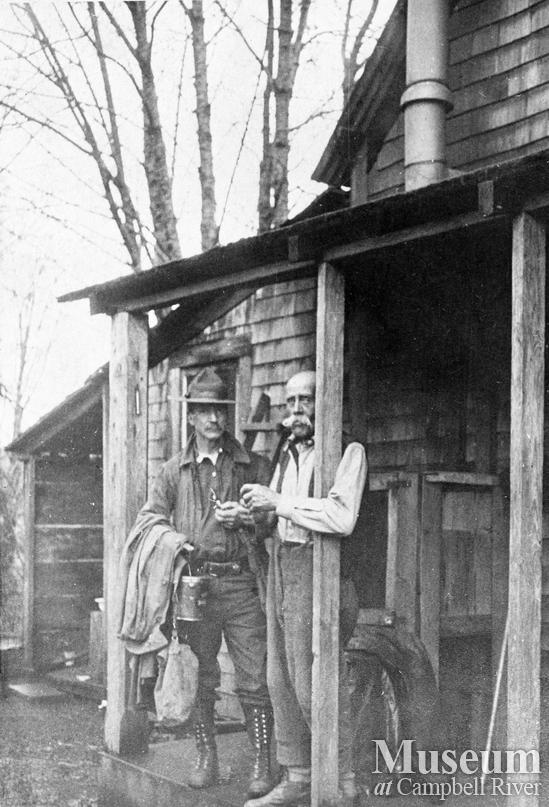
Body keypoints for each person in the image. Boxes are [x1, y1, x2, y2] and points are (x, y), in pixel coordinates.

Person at [120, 367, 275, 799]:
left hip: (242, 585)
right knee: (201, 675)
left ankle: (264, 759)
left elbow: (275, 523)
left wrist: (248, 520)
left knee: (254, 676)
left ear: (227, 417)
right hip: (196, 588)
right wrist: (179, 542)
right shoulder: (173, 472)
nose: (213, 419)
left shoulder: (252, 465)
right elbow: (148, 521)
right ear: (191, 417)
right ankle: (206, 756)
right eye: (204, 411)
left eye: (220, 411)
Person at [240, 370, 367, 807]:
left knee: (315, 683)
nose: (296, 412)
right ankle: (298, 775)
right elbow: (279, 515)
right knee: (280, 679)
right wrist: (253, 515)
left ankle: (342, 780)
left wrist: (279, 504)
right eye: (291, 403)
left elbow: (341, 517)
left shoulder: (349, 450)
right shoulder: (287, 452)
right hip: (283, 566)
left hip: (323, 573)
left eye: (305, 401)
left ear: (325, 403)